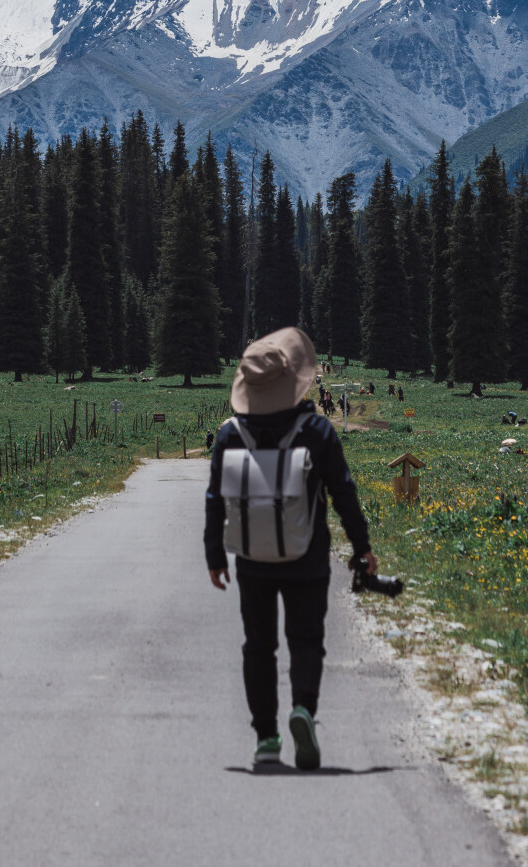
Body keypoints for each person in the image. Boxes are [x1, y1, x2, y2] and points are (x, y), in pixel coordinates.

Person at [204, 326, 376, 771]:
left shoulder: (229, 436)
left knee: (258, 645)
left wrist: (214, 556)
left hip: (251, 557)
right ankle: (303, 710)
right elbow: (343, 492)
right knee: (306, 639)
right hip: (308, 556)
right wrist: (362, 548)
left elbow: (214, 499)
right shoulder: (316, 430)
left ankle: (265, 737)